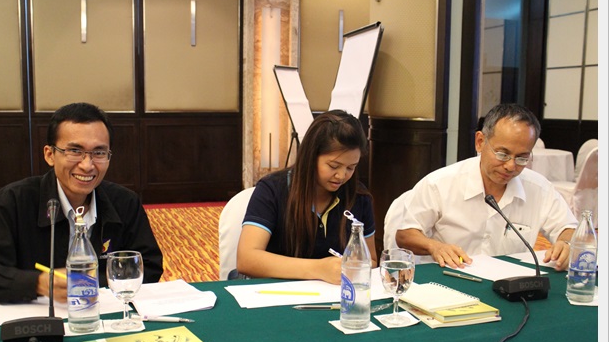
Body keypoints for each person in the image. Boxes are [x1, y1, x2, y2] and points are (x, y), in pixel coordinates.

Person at [0, 102, 164, 303]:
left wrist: (90, 284)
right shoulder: (14, 201)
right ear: (50, 155)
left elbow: (148, 266)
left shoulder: (124, 202)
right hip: (33, 315)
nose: (87, 165)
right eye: (75, 151)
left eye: (99, 153)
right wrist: (37, 283)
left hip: (103, 311)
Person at [395, 103, 577, 271]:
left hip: (509, 280)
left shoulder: (539, 188)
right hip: (450, 276)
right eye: (502, 154)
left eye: (522, 158)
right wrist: (435, 247)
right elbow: (405, 235)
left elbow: (569, 228)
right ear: (480, 142)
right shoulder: (440, 183)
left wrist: (567, 244)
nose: (511, 166)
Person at [236, 110, 376, 284]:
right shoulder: (272, 190)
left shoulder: (358, 196)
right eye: (333, 166)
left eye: (351, 167)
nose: (341, 176)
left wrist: (354, 266)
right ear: (311, 156)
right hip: (278, 291)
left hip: (337, 293)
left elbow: (371, 261)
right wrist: (319, 269)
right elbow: (247, 259)